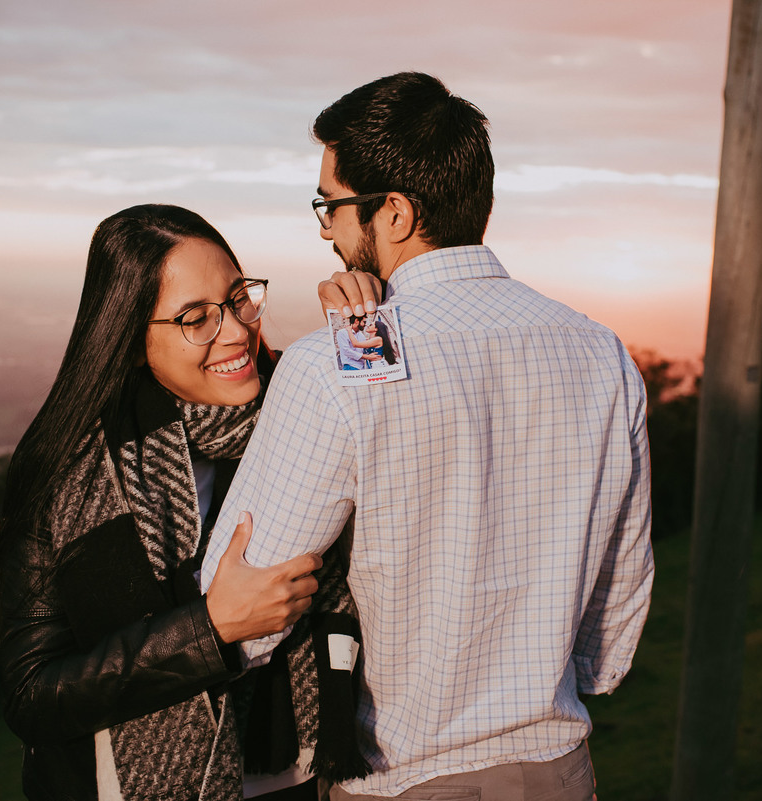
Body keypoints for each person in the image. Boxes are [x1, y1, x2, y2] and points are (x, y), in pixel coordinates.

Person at [201, 73, 653, 801]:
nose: (324, 229)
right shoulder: (602, 351)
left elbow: (240, 608)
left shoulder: (332, 365)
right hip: (558, 772)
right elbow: (617, 604)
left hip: (404, 777)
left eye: (332, 206)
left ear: (397, 213)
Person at [0, 204, 366, 801]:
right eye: (196, 318)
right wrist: (211, 629)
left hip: (298, 776)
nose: (238, 331)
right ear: (132, 340)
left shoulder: (303, 413)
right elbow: (32, 693)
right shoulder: (70, 468)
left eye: (240, 297)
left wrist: (361, 334)